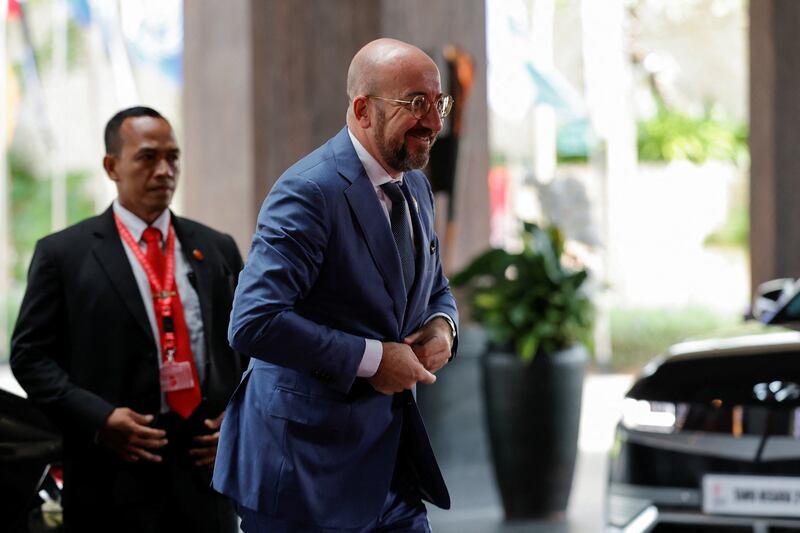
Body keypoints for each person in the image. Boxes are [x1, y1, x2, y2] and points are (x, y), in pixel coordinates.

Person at [212, 38, 459, 533]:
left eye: (439, 103)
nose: (434, 122)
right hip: (303, 472)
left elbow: (433, 285)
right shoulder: (308, 192)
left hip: (390, 467)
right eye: (416, 104)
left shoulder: (415, 184)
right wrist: (374, 358)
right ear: (363, 110)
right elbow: (254, 322)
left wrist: (442, 327)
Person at [10, 106, 248, 533]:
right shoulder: (64, 255)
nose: (164, 170)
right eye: (148, 157)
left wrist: (239, 417)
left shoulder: (215, 248)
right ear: (111, 166)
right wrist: (99, 419)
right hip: (112, 470)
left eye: (173, 157)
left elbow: (250, 345)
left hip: (205, 467)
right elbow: (30, 357)